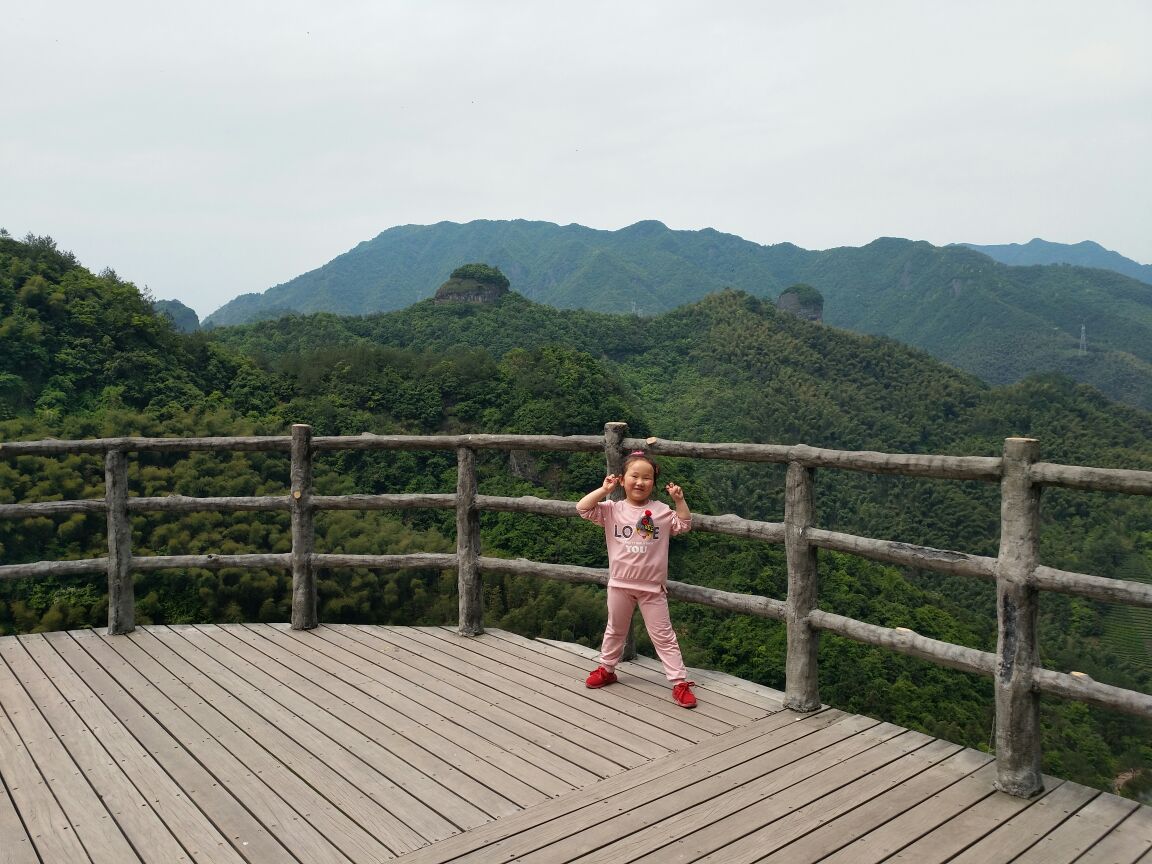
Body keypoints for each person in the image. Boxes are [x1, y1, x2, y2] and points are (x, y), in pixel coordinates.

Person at [576, 450, 697, 708]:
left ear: (653, 483)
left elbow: (684, 524)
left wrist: (679, 500)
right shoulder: (611, 509)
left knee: (663, 636)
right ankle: (607, 669)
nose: (640, 482)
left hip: (652, 588)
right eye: (634, 476)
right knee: (615, 630)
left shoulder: (661, 511)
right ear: (622, 479)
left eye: (647, 477)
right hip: (619, 584)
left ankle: (679, 682)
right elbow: (583, 508)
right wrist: (603, 489)